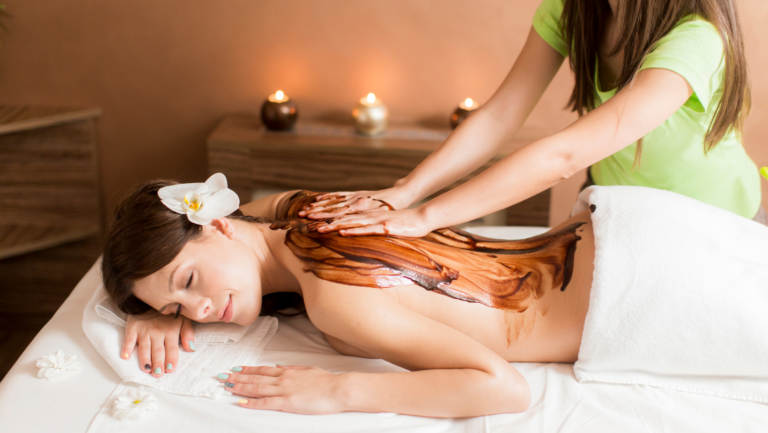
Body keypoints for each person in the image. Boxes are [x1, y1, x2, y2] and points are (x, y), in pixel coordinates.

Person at [102, 177, 598, 417]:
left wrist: (339, 390)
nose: (200, 311)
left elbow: (504, 389)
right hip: (601, 233)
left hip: (628, 292)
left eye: (189, 283)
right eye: (178, 308)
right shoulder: (304, 209)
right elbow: (240, 217)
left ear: (216, 226)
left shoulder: (333, 297)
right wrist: (158, 306)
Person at [298, 0, 766, 236]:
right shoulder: (574, 10)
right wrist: (406, 192)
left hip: (715, 220)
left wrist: (426, 217)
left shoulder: (696, 39)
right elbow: (499, 115)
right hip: (620, 207)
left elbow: (564, 155)